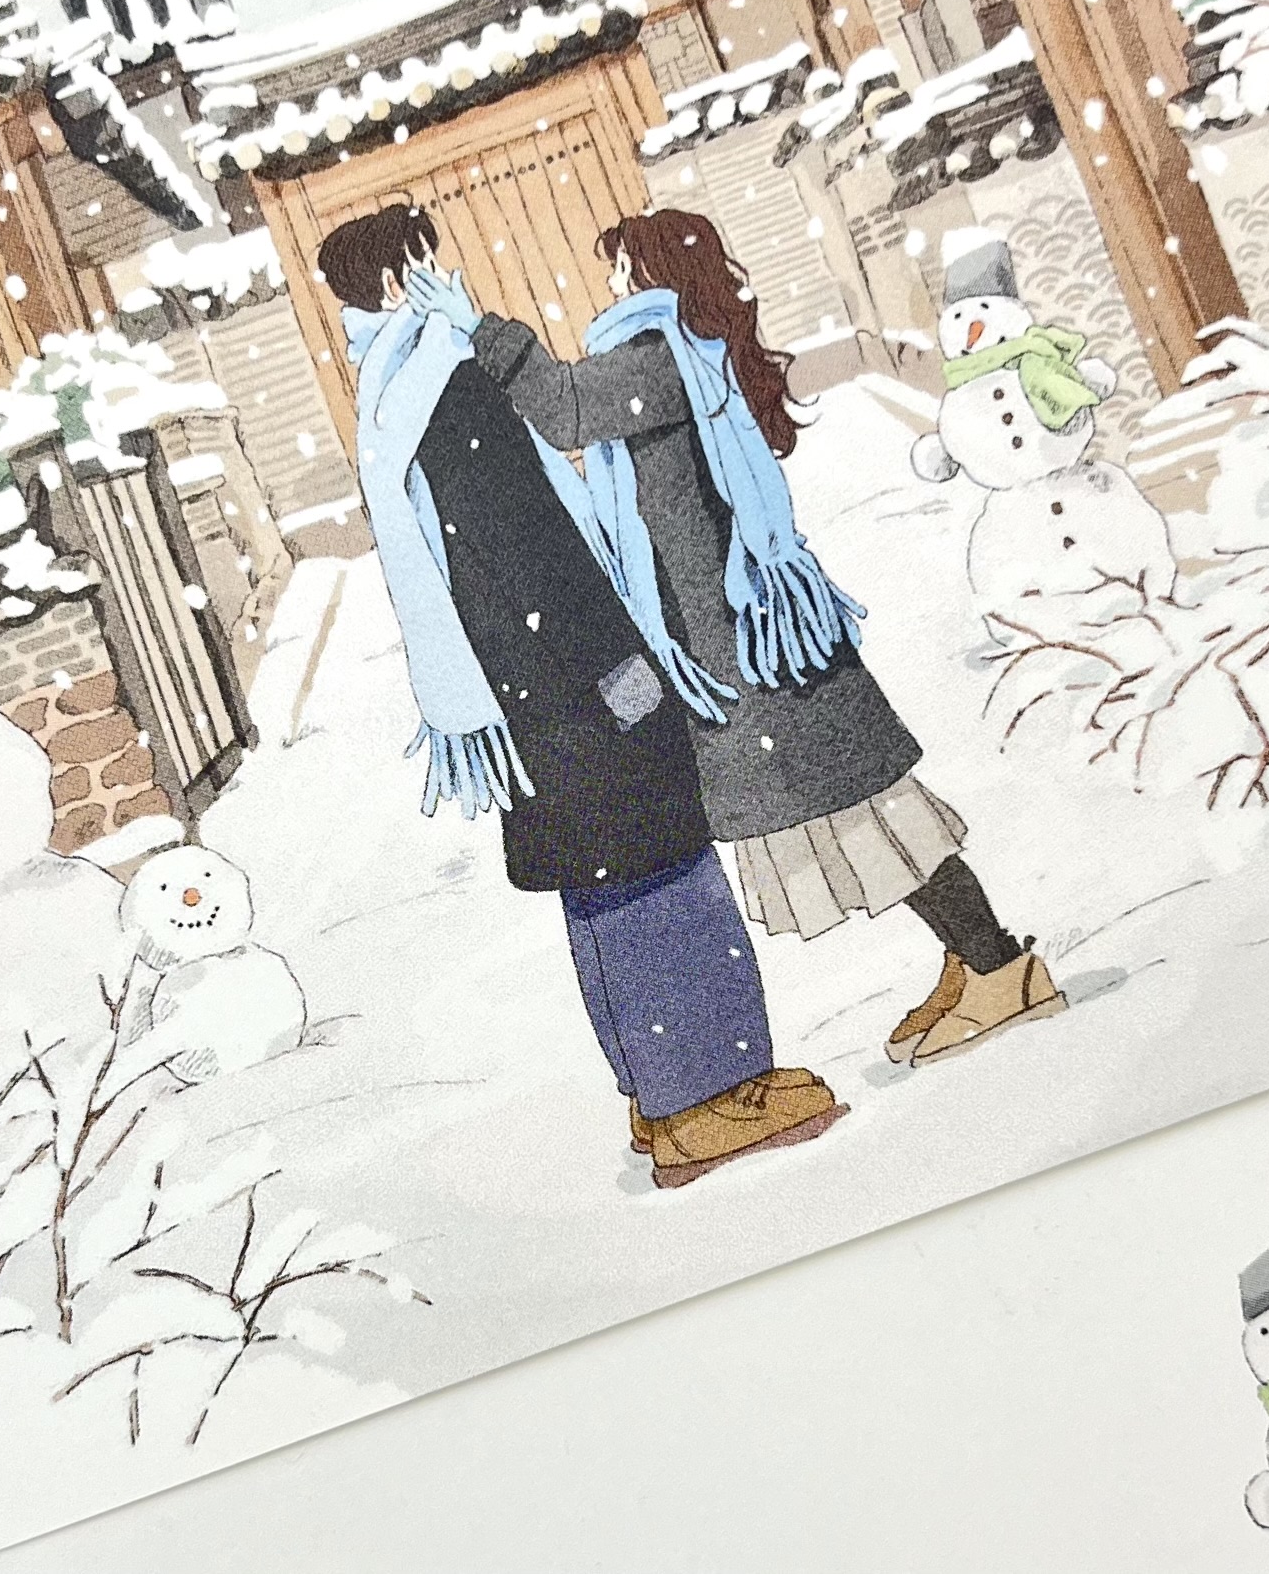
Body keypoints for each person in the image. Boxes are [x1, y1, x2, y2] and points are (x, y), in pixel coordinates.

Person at [423, 208, 1066, 1063]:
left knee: (869, 810)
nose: (610, 285)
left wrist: (482, 330)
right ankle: (972, 956)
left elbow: (568, 411)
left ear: (652, 274)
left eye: (620, 268)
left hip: (754, 646)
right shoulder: (680, 351)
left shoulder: (658, 357)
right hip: (746, 640)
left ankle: (1000, 967)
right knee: (860, 807)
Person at [318, 205, 841, 1186]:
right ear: (397, 282)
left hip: (524, 694)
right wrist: (624, 673)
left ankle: (659, 1093)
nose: (448, 276)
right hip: (574, 680)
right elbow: (531, 551)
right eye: (428, 261)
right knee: (657, 865)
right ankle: (711, 1095)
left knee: (602, 884)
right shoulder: (442, 383)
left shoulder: (390, 391)